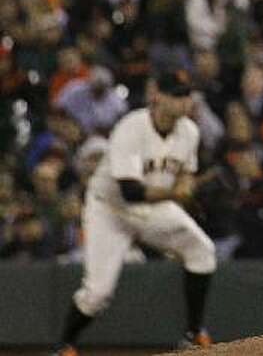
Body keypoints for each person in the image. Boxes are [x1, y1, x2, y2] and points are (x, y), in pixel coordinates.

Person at [53, 70, 216, 355]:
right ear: (157, 96)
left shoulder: (189, 131)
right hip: (110, 210)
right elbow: (131, 191)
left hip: (152, 210)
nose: (184, 100)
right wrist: (177, 193)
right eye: (177, 94)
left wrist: (187, 188)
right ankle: (64, 346)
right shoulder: (132, 127)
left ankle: (194, 334)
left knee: (202, 251)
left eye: (187, 94)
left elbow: (186, 174)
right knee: (97, 294)